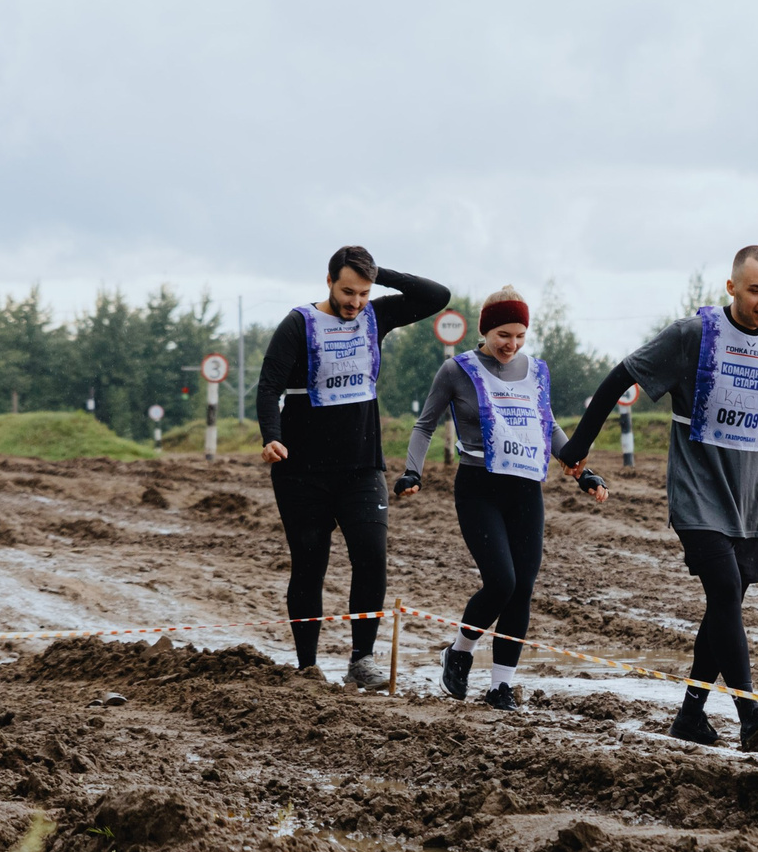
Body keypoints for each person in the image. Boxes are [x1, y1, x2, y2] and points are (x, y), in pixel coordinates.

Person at [556, 246, 758, 751]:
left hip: (752, 499)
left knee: (727, 604)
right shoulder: (692, 335)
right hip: (696, 491)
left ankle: (691, 715)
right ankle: (748, 712)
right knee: (723, 587)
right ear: (732, 287)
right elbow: (620, 376)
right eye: (756, 290)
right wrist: (579, 445)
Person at [397, 287, 607, 709]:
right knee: (502, 582)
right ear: (484, 331)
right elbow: (424, 426)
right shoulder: (457, 370)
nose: (511, 345)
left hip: (525, 489)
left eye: (520, 336)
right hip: (478, 487)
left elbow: (547, 427)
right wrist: (411, 471)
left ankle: (500, 686)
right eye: (502, 335)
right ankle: (459, 651)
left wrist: (582, 473)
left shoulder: (536, 371)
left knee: (522, 590)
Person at [255, 246, 450, 689]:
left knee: (372, 559)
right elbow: (268, 388)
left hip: (362, 467)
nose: (355, 302)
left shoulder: (375, 317)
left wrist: (382, 276)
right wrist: (271, 436)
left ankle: (362, 660)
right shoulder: (297, 324)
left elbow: (437, 295)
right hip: (301, 471)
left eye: (363, 292)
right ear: (328, 281)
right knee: (310, 565)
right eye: (347, 291)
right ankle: (307, 666)